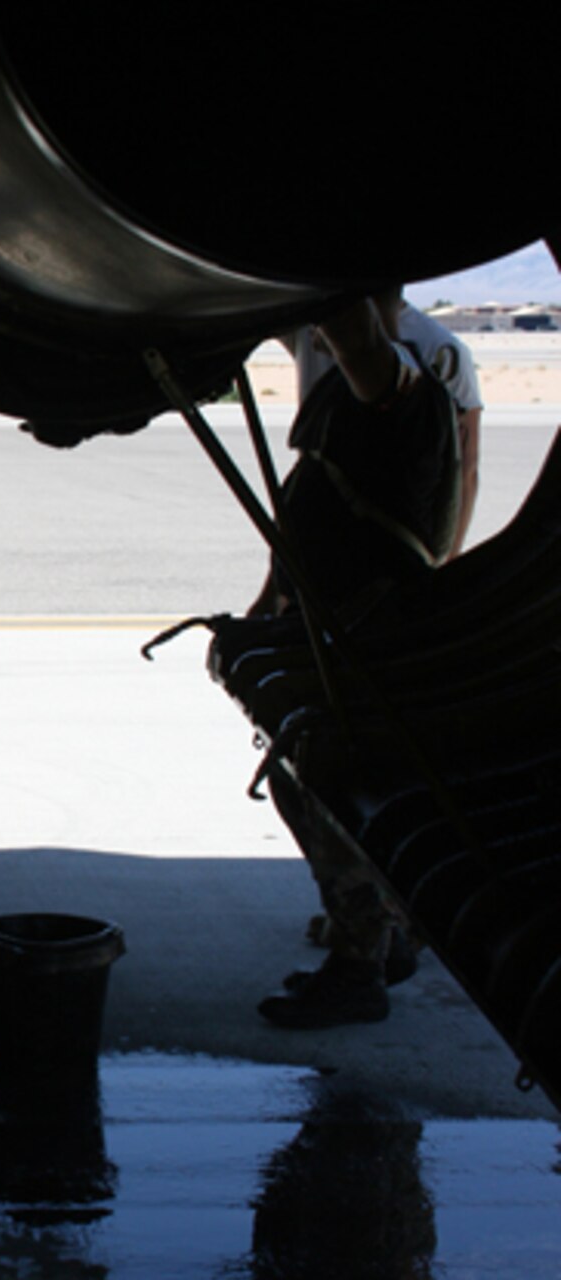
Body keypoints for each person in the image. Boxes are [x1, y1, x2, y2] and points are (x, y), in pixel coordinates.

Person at [253, 296, 461, 1029]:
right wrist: (267, 604)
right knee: (306, 780)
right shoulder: (353, 387)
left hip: (358, 642)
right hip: (326, 631)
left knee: (333, 788)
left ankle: (358, 962)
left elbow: (363, 348)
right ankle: (386, 938)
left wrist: (329, 286)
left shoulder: (400, 385)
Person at [285, 286, 482, 551]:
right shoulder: (441, 352)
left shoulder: (423, 360)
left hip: (366, 556)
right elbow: (465, 468)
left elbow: (467, 468)